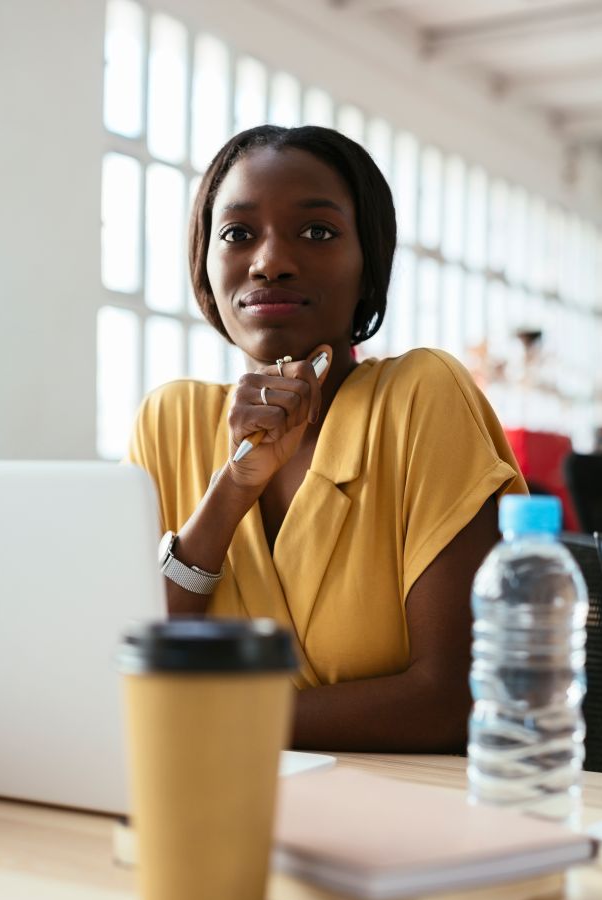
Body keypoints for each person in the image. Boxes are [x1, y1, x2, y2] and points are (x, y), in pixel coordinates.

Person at [127, 124, 527, 753]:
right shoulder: (168, 420)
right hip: (206, 796)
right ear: (205, 262)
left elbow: (453, 699)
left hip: (401, 811)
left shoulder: (420, 396)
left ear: (368, 265)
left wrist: (213, 724)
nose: (270, 262)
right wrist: (232, 489)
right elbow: (132, 670)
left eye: (317, 232)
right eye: (237, 234)